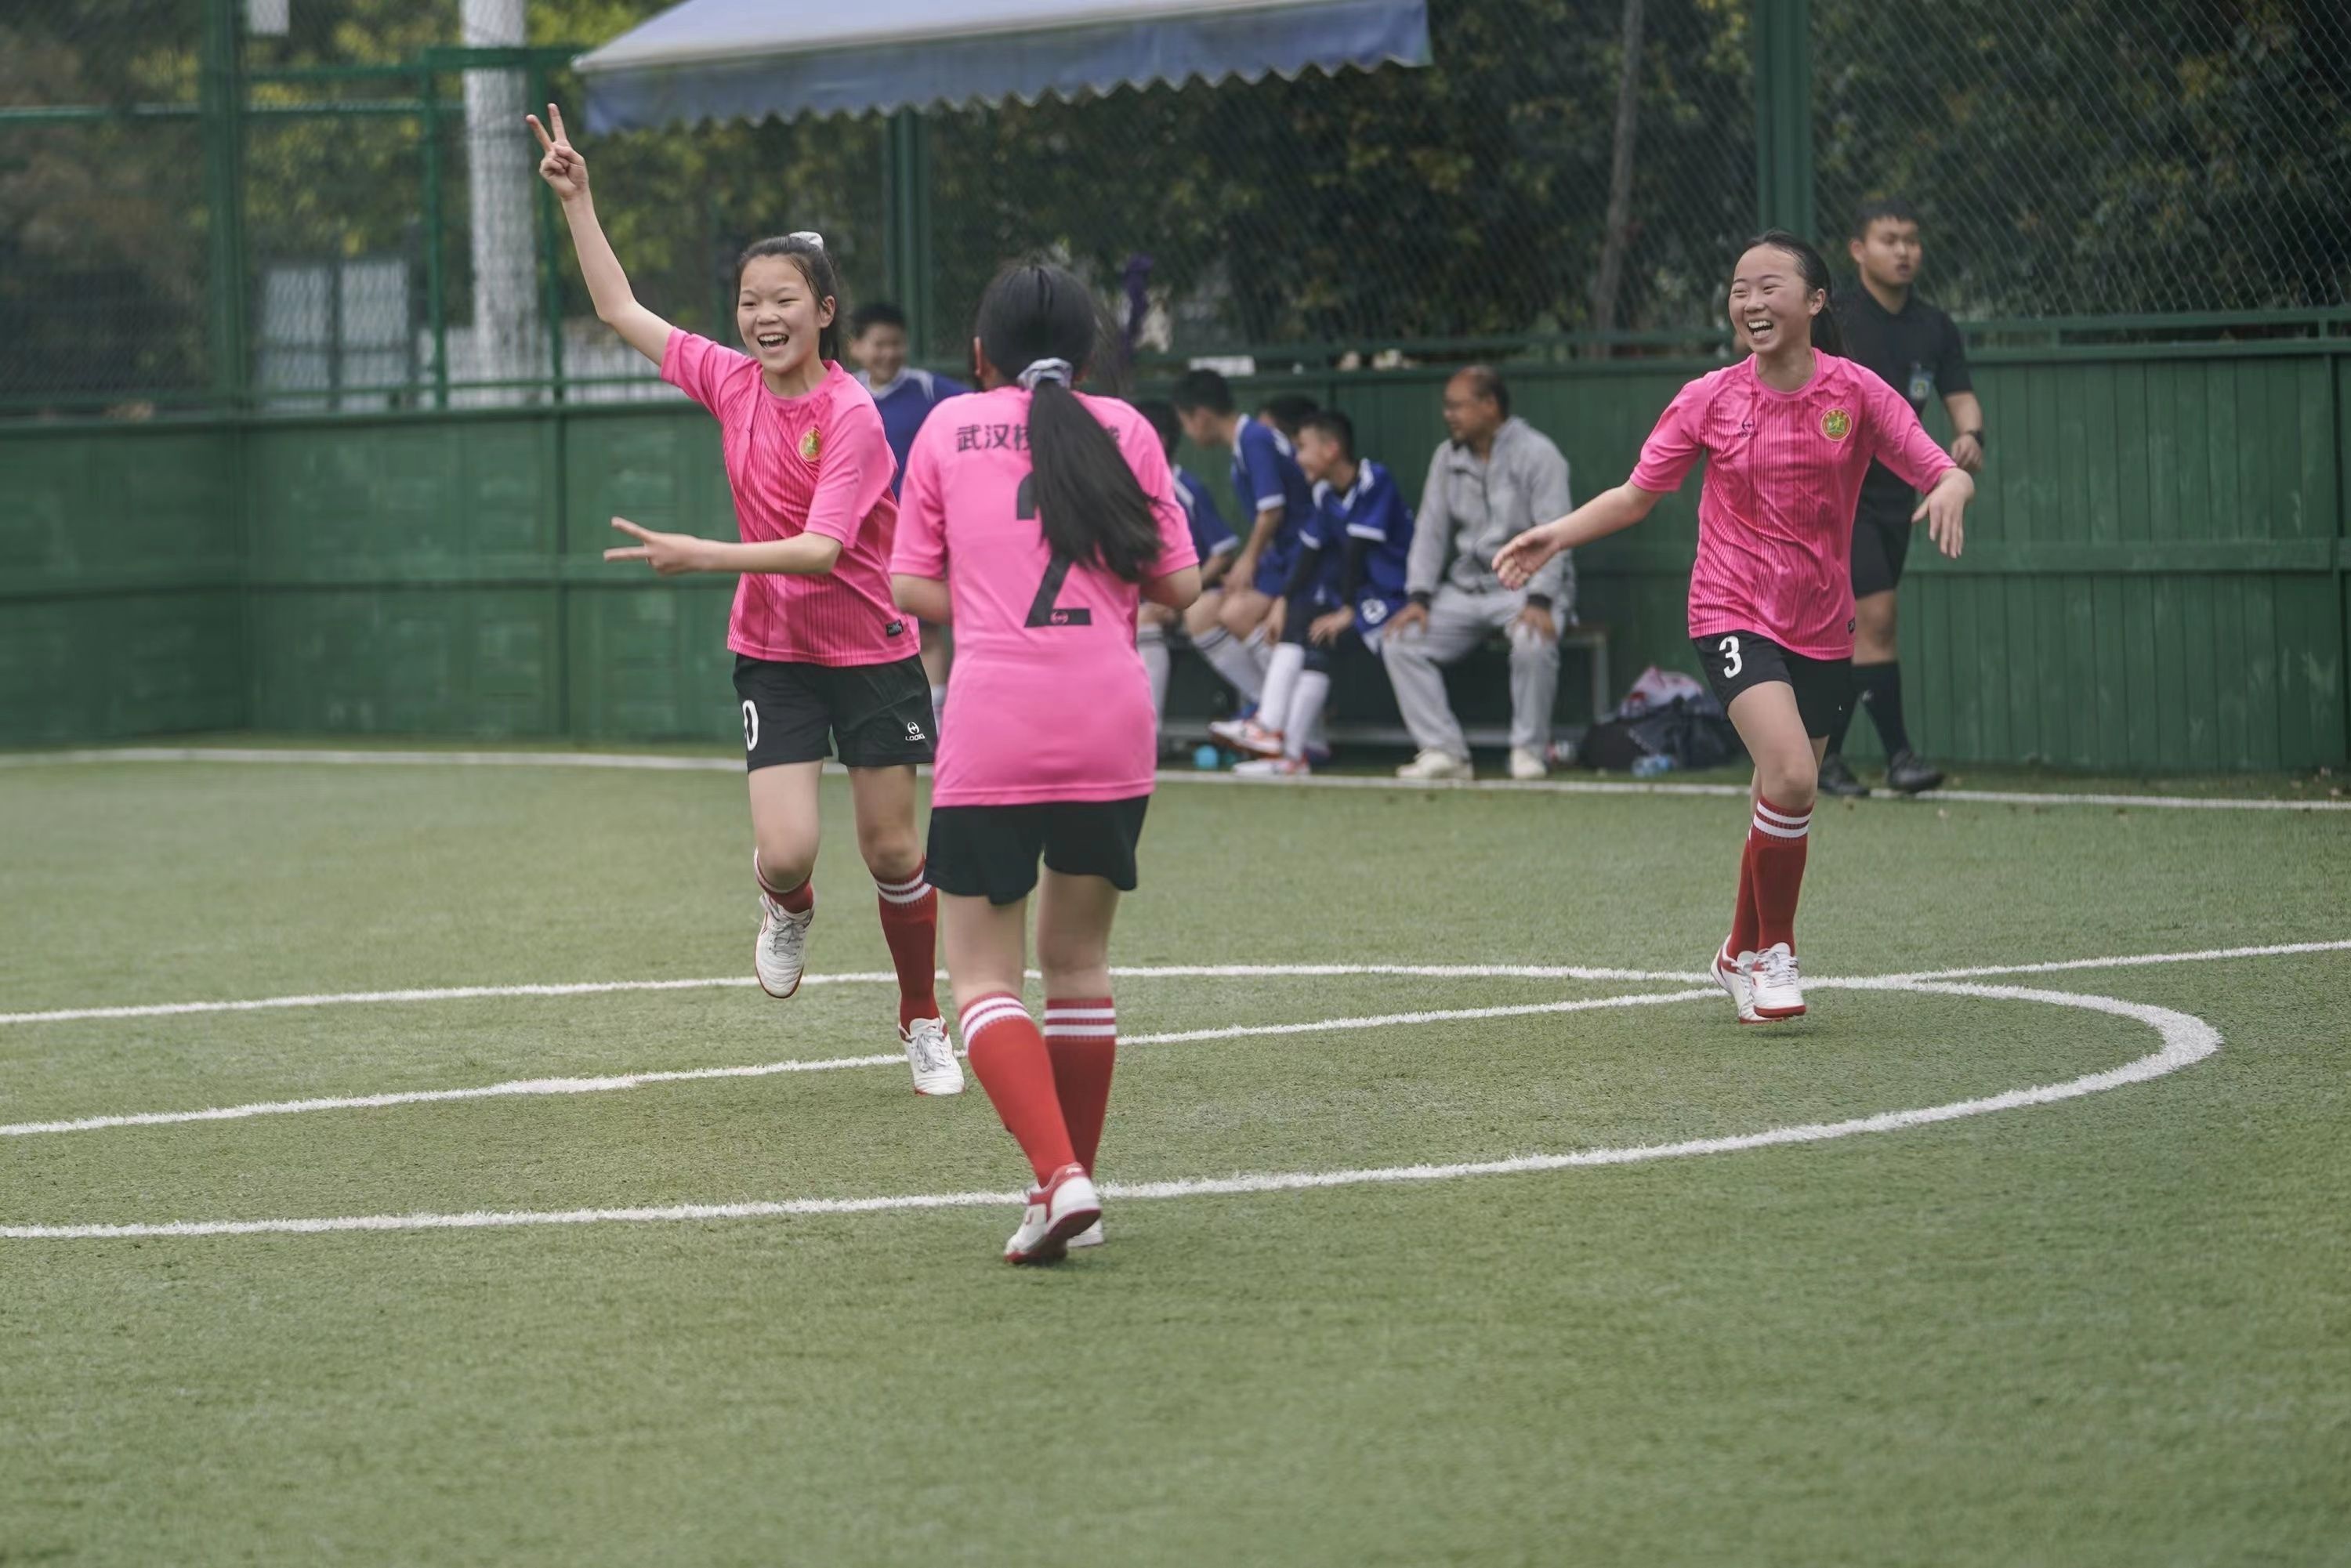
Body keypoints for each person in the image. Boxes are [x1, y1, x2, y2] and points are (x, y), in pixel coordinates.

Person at [529, 104, 961, 1097]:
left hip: (872, 651)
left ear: (823, 311)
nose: (763, 316)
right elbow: (620, 312)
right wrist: (578, 200)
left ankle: (921, 1018)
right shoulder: (729, 381)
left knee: (895, 848)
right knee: (788, 848)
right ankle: (788, 906)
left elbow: (820, 550)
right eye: (748, 300)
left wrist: (701, 552)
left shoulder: (852, 416)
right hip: (774, 651)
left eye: (783, 300)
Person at [1496, 230, 1972, 1023]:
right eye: (1739, 288)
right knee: (1791, 775)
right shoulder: (1708, 397)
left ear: (1816, 301)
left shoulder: (1855, 392)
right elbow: (1635, 495)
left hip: (1823, 618)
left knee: (1778, 795)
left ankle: (1733, 953)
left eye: (1769, 286)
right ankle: (1776, 955)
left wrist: (1954, 483)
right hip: (1730, 608)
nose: (1750, 301)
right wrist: (1556, 534)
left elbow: (1934, 463)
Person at [892, 263, 1201, 1264]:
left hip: (996, 723)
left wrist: (988, 598)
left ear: (979, 357)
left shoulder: (945, 427)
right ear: (1093, 353)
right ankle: (1061, 1193)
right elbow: (1181, 584)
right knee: (1080, 965)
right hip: (1113, 719)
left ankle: (1059, 1175)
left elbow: (909, 584)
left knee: (981, 975)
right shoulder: (1133, 430)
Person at [1821, 198, 1986, 797]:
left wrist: (1968, 438)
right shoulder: (1834, 317)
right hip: (1842, 493)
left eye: (1911, 239)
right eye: (1889, 239)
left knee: (1854, 628)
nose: (1904, 251)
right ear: (1859, 250)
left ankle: (1825, 759)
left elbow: (1961, 399)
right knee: (1877, 616)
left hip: (1902, 498)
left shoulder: (1934, 327)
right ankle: (1899, 758)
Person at [1384, 367, 1574, 782]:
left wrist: (1541, 600)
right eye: (1446, 407)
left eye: (1457, 406)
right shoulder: (1445, 458)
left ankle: (1528, 750)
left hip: (1526, 588)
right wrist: (1418, 597)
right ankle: (1444, 751)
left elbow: (1557, 532)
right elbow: (1431, 532)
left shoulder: (1538, 454)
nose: (1448, 414)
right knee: (1400, 641)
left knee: (1532, 640)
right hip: (1465, 589)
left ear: (1489, 406)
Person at [1231, 407, 1416, 777]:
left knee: (1320, 639)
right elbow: (1309, 553)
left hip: (1392, 596)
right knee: (1299, 619)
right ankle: (1273, 735)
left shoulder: (1373, 479)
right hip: (1358, 596)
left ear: (1331, 450)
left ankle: (1289, 751)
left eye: (1303, 447)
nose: (1297, 458)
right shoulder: (1323, 493)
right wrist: (1283, 601)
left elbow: (1356, 552)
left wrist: (1348, 609)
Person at [1169, 370, 1317, 727]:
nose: (1188, 433)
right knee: (1203, 614)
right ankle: (1268, 709)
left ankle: (1295, 721)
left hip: (1306, 559)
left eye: (1185, 423)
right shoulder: (1247, 442)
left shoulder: (1253, 439)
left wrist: (1248, 561)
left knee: (1236, 614)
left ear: (1201, 416)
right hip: (1283, 558)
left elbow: (1272, 510)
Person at [849, 302, 970, 722]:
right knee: (872, 626)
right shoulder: (845, 393)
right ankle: (884, 717)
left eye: (896, 343)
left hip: (923, 531)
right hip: (863, 533)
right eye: (879, 344)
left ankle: (934, 722)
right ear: (857, 347)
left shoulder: (930, 390)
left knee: (928, 626)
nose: (889, 353)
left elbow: (978, 414)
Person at [1132, 398, 1241, 722]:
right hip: (1146, 601)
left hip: (1195, 594)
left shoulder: (1185, 488)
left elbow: (1223, 553)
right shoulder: (1125, 491)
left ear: (1158, 440)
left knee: (1146, 622)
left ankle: (1150, 736)